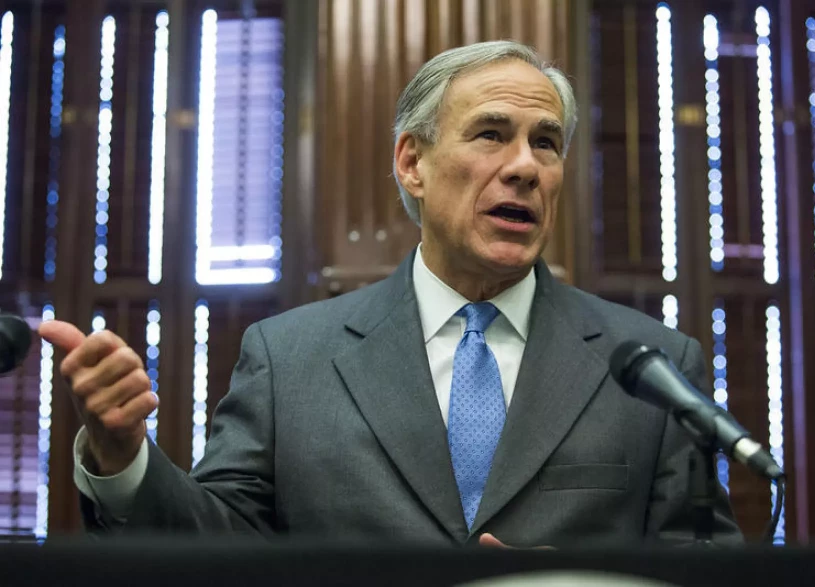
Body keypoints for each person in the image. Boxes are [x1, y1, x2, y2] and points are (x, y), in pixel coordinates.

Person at [39, 40, 741, 547]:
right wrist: (123, 454)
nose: (524, 166)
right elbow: (221, 545)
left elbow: (703, 567)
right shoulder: (290, 359)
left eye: (546, 143)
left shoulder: (650, 365)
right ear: (413, 162)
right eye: (492, 134)